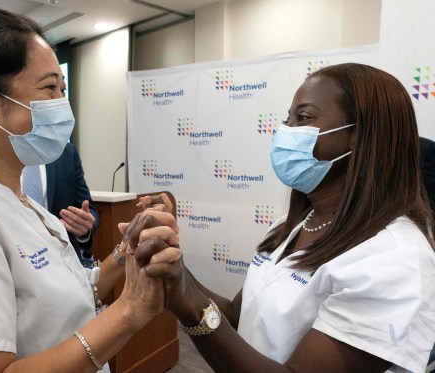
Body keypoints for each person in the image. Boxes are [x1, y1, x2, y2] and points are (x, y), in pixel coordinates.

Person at [0, 8, 180, 372]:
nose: (63, 104)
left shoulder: (20, 202)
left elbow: (65, 296)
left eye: (63, 88)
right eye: (48, 88)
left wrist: (126, 253)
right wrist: (129, 311)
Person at [125, 63, 435, 372]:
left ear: (359, 135)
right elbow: (237, 315)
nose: (285, 131)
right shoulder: (294, 224)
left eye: (303, 118)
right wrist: (176, 272)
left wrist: (189, 304)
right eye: (287, 119)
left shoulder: (394, 258)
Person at [22, 142, 100, 267]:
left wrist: (84, 228)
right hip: (14, 258)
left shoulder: (66, 152)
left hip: (62, 261)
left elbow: (88, 208)